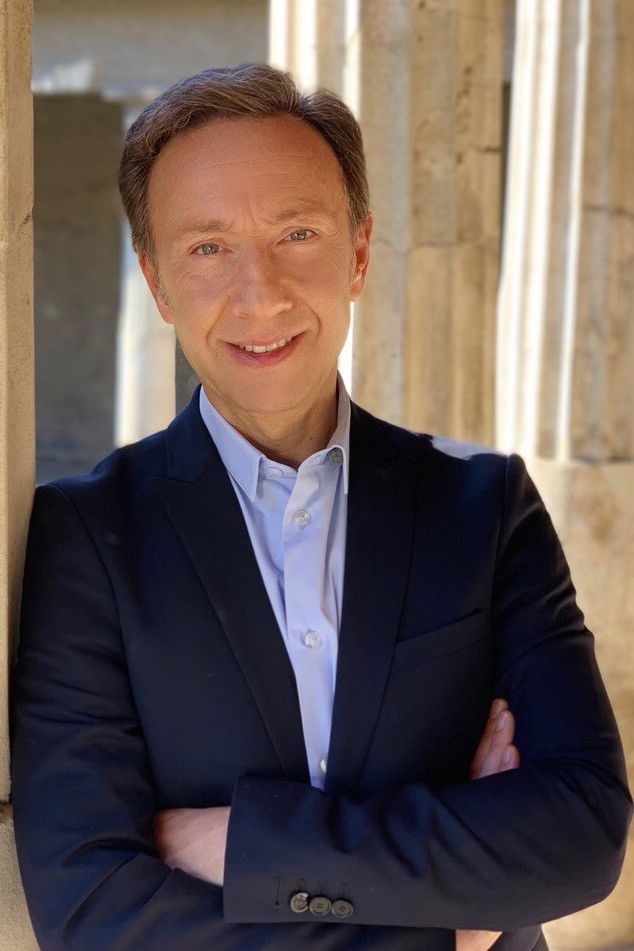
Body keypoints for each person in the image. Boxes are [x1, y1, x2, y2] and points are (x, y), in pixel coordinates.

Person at [11, 63, 631, 951]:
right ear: (156, 282)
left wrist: (245, 846)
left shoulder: (485, 506)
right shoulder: (88, 539)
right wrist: (454, 924)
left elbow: (581, 832)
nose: (260, 291)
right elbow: (92, 909)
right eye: (208, 247)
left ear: (360, 255)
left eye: (297, 233)